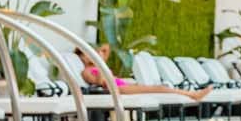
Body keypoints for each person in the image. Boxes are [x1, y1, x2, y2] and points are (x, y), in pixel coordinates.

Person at [75, 45, 213, 102]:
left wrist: (101, 56)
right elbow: (100, 82)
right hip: (117, 89)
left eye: (90, 52)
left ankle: (192, 94)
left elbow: (107, 46)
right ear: (82, 58)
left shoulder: (98, 65)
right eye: (86, 54)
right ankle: (193, 95)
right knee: (159, 89)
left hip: (122, 84)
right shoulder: (85, 71)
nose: (90, 56)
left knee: (157, 88)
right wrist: (100, 63)